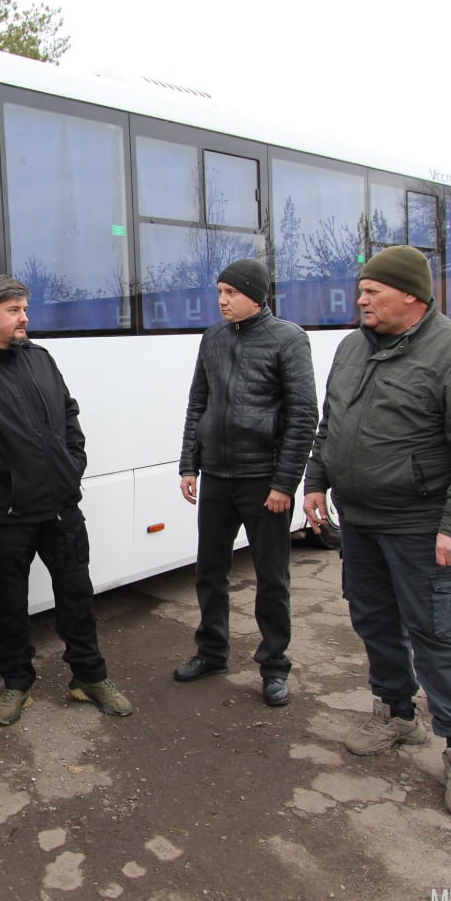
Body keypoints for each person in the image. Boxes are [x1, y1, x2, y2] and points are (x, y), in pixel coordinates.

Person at [302, 245, 451, 817]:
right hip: (361, 522)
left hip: (422, 527)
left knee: (438, 634)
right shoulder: (350, 348)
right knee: (372, 619)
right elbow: (331, 423)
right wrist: (316, 481)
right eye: (361, 289)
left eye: (373, 290)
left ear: (411, 297)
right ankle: (397, 715)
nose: (361, 298)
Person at [0, 275, 133, 726]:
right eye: (14, 310)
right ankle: (16, 684)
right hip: (4, 519)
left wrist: (71, 464)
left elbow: (68, 414)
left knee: (77, 597)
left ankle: (89, 677)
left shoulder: (41, 359)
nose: (25, 318)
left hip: (60, 508)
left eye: (25, 309)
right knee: (10, 607)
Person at [173, 259, 317, 707]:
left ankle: (274, 667)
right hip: (216, 477)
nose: (222, 300)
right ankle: (212, 652)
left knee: (271, 580)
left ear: (256, 295)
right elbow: (199, 402)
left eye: (231, 293)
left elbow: (303, 415)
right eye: (219, 292)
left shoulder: (288, 339)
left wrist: (284, 482)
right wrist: (188, 465)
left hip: (264, 483)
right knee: (209, 573)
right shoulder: (212, 338)